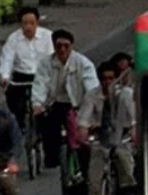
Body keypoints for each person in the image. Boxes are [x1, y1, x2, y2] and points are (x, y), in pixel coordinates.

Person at [83, 60, 138, 195]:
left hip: (121, 139)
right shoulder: (92, 95)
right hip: (100, 141)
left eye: (111, 78)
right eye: (104, 79)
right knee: (94, 181)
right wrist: (83, 130)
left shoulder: (126, 95)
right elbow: (83, 119)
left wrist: (134, 130)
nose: (108, 82)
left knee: (127, 171)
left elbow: (135, 118)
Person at [30, 29, 99, 172]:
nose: (62, 49)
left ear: (71, 46)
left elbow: (92, 87)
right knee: (47, 125)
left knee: (82, 134)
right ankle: (52, 158)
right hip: (55, 103)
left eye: (66, 46)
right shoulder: (46, 63)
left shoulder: (83, 63)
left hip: (78, 104)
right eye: (58, 45)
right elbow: (40, 83)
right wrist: (37, 103)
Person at [0, 6, 53, 137]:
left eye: (32, 23)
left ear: (37, 22)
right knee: (13, 98)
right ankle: (18, 127)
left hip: (41, 75)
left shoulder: (48, 36)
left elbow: (52, 57)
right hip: (21, 76)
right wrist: (4, 76)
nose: (28, 27)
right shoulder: (13, 39)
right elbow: (7, 58)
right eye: (25, 23)